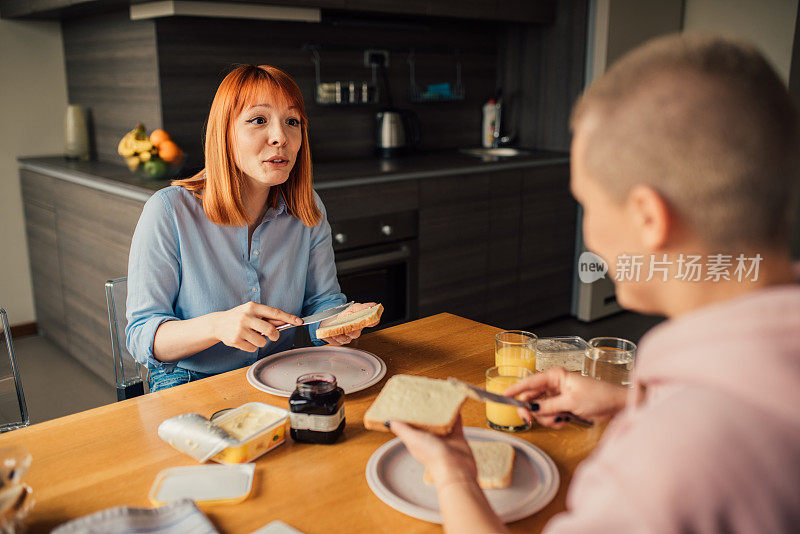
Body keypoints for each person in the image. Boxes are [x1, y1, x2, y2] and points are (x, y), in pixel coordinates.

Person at [390, 34, 800, 533]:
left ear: (649, 218)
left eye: (587, 203)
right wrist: (633, 401)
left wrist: (454, 473)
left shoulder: (667, 462)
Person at [126, 65, 378, 392]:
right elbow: (142, 336)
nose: (280, 137)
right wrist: (218, 325)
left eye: (292, 122)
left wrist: (336, 323)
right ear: (225, 132)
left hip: (281, 370)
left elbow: (323, 303)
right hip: (189, 379)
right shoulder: (168, 210)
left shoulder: (308, 207)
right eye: (259, 120)